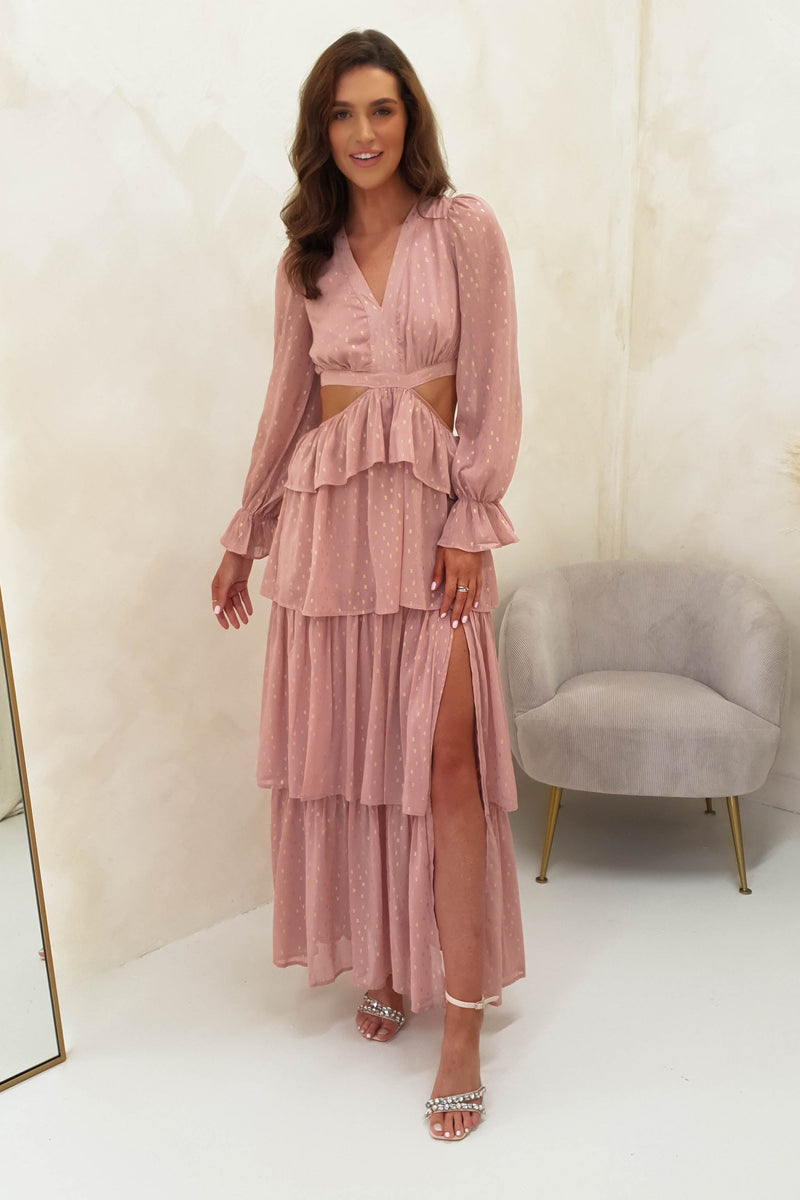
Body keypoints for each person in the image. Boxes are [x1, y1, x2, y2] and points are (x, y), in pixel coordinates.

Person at [211, 28, 525, 1142]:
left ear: (410, 117)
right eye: (341, 113)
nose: (362, 132)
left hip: (433, 533)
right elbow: (286, 404)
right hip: (330, 540)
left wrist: (470, 518)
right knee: (358, 763)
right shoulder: (305, 256)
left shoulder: (463, 229)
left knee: (446, 768)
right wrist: (246, 532)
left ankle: (461, 1024)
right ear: (321, 129)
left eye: (381, 109)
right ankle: (385, 962)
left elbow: (491, 382)